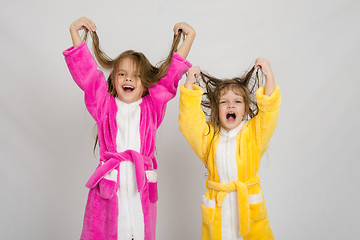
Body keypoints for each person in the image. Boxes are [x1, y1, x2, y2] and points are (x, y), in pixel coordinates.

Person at [63, 17, 195, 240]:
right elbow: (88, 77)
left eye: (136, 75)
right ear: (114, 79)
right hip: (110, 186)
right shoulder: (103, 105)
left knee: (140, 231)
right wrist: (75, 33)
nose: (128, 79)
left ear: (145, 83)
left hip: (139, 185)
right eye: (122, 73)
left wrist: (189, 38)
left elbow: (170, 77)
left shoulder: (152, 106)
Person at [179, 59, 281, 240]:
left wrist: (269, 77)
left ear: (246, 109)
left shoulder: (254, 133)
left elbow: (269, 114)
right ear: (217, 109)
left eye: (237, 101)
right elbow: (190, 124)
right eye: (224, 102)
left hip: (249, 206)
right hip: (218, 210)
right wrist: (189, 86)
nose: (231, 105)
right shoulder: (209, 137)